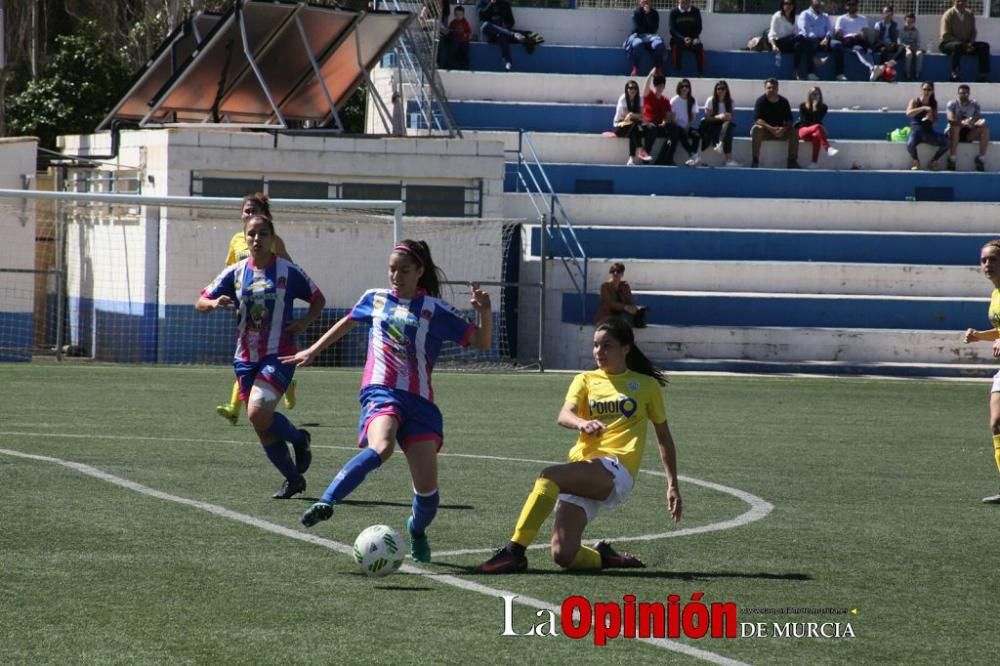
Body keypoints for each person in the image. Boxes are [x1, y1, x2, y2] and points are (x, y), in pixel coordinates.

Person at [283, 240, 493, 563]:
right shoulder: (374, 299)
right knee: (381, 447)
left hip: (421, 404)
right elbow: (348, 321)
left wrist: (485, 313)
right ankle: (327, 501)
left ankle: (416, 529)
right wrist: (313, 350)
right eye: (392, 269)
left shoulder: (434, 310)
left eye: (404, 270)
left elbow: (481, 340)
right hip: (380, 392)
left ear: (420, 272)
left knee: (427, 493)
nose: (396, 275)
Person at [474, 318, 682, 574]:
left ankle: (514, 552)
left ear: (626, 348)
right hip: (582, 468)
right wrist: (582, 423)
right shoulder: (585, 379)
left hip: (616, 468)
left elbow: (664, 436)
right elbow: (564, 414)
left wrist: (672, 484)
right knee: (564, 555)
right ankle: (605, 557)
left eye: (607, 346)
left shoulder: (645, 385)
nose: (599, 352)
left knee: (548, 476)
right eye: (595, 346)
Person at [196, 213, 325, 499]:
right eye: (252, 234)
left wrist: (304, 323)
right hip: (245, 357)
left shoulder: (288, 272)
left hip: (280, 354)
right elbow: (200, 301)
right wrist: (214, 302)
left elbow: (318, 298)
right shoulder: (236, 272)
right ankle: (293, 479)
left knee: (256, 412)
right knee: (261, 426)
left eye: (263, 234)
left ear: (272, 239)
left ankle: (300, 439)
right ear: (246, 237)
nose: (257, 239)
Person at [216, 193, 297, 426]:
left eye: (255, 211)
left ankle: (236, 406)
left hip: (272, 309)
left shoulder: (273, 241)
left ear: (266, 216)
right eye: (247, 211)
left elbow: (289, 268)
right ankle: (283, 385)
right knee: (247, 356)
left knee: (260, 355)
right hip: (246, 308)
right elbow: (230, 269)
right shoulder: (236, 240)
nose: (250, 215)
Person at [962, 239, 1000, 504]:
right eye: (984, 260)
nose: (987, 265)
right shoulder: (996, 293)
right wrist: (981, 337)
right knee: (996, 423)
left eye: (994, 259)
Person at [750, 78, 800, 169]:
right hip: (765, 131)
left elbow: (789, 120)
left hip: (780, 132)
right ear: (765, 88)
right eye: (769, 88)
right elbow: (757, 119)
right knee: (756, 129)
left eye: (774, 88)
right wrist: (771, 129)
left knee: (794, 131)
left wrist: (783, 129)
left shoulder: (784, 101)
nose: (771, 90)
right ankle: (755, 160)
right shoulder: (761, 101)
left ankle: (792, 161)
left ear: (777, 89)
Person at [939, 0, 990, 83]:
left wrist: (970, 43)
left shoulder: (970, 15)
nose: (961, 3)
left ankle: (982, 75)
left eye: (963, 1)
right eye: (958, 1)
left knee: (984, 46)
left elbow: (973, 32)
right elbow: (945, 35)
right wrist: (963, 44)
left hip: (965, 44)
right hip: (948, 44)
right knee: (957, 46)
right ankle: (955, 74)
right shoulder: (948, 15)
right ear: (954, 2)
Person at [640, 68, 680, 166]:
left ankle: (666, 158)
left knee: (675, 130)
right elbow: (645, 88)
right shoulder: (649, 95)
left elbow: (667, 116)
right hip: (648, 124)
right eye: (658, 85)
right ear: (655, 86)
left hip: (659, 125)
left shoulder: (665, 100)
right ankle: (645, 155)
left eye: (662, 86)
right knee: (652, 128)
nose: (660, 88)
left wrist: (665, 122)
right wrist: (650, 75)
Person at [905, 81, 949, 171]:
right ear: (921, 90)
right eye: (925, 89)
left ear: (932, 91)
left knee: (947, 142)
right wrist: (923, 108)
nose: (927, 92)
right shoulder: (915, 101)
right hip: (916, 131)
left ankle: (934, 160)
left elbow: (935, 120)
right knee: (910, 144)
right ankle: (916, 160)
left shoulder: (933, 103)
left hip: (928, 132)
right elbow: (908, 113)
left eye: (929, 90)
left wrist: (931, 118)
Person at [946, 84, 989, 172]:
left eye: (966, 93)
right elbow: (950, 119)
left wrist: (973, 121)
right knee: (956, 127)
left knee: (984, 128)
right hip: (953, 132)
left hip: (968, 132)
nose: (964, 95)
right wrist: (961, 123)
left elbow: (977, 117)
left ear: (969, 94)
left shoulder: (974, 104)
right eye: (961, 93)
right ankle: (952, 158)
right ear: (958, 93)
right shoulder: (952, 104)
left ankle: (981, 158)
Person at [699, 80, 740, 167]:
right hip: (711, 123)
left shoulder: (730, 102)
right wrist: (719, 116)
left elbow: (730, 117)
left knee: (728, 125)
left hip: (723, 125)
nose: (720, 91)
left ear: (726, 90)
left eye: (723, 88)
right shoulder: (711, 100)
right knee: (726, 128)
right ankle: (727, 156)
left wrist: (726, 116)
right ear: (716, 90)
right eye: (718, 89)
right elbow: (707, 117)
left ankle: (722, 148)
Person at [797, 86, 838, 169]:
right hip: (803, 130)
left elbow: (818, 120)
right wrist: (815, 125)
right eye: (812, 94)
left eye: (816, 94)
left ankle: (814, 162)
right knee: (818, 126)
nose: (814, 96)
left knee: (816, 136)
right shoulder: (802, 106)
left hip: (814, 132)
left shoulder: (823, 107)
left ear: (820, 95)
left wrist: (815, 109)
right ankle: (828, 148)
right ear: (809, 95)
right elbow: (804, 121)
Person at [613, 80, 652, 165]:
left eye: (635, 88)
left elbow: (641, 115)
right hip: (620, 125)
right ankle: (641, 150)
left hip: (633, 126)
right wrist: (633, 115)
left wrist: (632, 115)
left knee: (636, 130)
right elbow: (626, 117)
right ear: (627, 89)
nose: (633, 90)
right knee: (633, 126)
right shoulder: (623, 98)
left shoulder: (640, 98)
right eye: (630, 88)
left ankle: (631, 159)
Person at [624, 0, 667, 77]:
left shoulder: (654, 13)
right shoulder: (636, 13)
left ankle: (658, 69)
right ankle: (635, 68)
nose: (645, 3)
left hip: (651, 37)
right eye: (643, 1)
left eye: (647, 1)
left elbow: (654, 29)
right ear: (639, 2)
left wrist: (648, 15)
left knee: (659, 45)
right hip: (639, 36)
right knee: (637, 44)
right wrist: (646, 25)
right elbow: (637, 28)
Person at [479, 0, 524, 71]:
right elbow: (481, 17)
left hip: (502, 33)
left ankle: (508, 62)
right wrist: (490, 4)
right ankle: (513, 35)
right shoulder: (483, 2)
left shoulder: (505, 4)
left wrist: (504, 27)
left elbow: (511, 22)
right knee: (485, 25)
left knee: (502, 34)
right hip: (490, 33)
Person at [795, 0, 834, 81]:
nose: (819, 3)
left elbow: (829, 30)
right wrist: (817, 40)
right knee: (810, 42)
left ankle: (839, 74)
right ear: (811, 2)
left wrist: (826, 38)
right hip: (809, 39)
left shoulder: (825, 16)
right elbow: (806, 30)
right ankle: (810, 72)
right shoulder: (805, 14)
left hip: (824, 39)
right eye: (817, 1)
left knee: (837, 45)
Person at [832, 0, 870, 80]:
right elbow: (838, 35)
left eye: (854, 4)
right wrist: (846, 34)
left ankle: (872, 67)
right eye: (850, 4)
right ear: (846, 6)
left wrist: (860, 35)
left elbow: (866, 35)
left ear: (857, 6)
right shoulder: (841, 18)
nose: (852, 6)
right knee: (851, 41)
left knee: (866, 45)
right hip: (847, 40)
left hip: (859, 39)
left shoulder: (863, 19)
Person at [670, 79, 702, 166]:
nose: (684, 88)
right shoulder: (674, 100)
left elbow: (693, 117)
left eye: (686, 86)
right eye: (682, 86)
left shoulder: (692, 100)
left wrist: (687, 127)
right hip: (676, 126)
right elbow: (672, 117)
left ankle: (692, 157)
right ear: (679, 88)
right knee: (681, 133)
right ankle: (693, 154)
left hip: (687, 126)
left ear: (689, 88)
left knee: (697, 135)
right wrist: (680, 127)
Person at [668, 0, 705, 74]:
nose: (685, 3)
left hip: (693, 38)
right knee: (676, 47)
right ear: (678, 1)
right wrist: (683, 39)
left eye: (686, 1)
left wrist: (691, 38)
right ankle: (677, 71)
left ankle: (700, 72)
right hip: (678, 40)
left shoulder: (696, 11)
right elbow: (672, 29)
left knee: (699, 46)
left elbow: (699, 28)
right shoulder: (673, 12)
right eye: (682, 2)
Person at [769, 0, 800, 72]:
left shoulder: (794, 17)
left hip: (790, 42)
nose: (788, 6)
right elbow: (771, 33)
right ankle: (814, 59)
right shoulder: (777, 16)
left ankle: (796, 71)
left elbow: (796, 32)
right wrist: (774, 45)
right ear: (782, 5)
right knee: (800, 38)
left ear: (794, 6)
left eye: (791, 4)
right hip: (780, 43)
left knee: (799, 45)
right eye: (786, 3)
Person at [438, 5, 471, 69]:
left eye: (460, 14)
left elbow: (468, 31)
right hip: (455, 41)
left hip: (463, 41)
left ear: (463, 14)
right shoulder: (453, 22)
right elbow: (449, 30)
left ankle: (465, 65)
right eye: (456, 14)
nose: (458, 16)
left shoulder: (465, 22)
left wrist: (465, 35)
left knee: (464, 51)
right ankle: (453, 63)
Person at [899, 13, 924, 81]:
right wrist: (906, 46)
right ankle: (907, 73)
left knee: (919, 54)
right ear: (905, 21)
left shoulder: (916, 31)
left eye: (912, 22)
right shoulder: (901, 30)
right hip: (905, 48)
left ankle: (917, 73)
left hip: (914, 47)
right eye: (908, 22)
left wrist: (915, 47)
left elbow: (918, 42)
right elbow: (899, 42)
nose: (910, 24)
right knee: (909, 54)